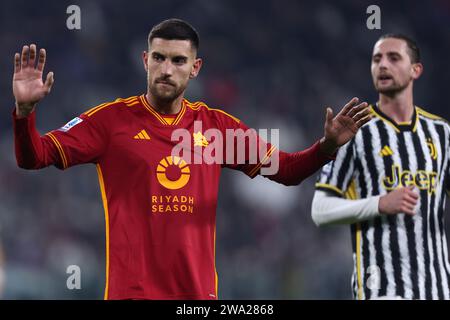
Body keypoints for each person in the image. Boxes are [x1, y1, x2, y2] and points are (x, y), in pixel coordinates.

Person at [12, 18, 370, 300]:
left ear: (195, 67)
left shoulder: (215, 128)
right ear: (145, 60)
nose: (167, 69)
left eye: (178, 60)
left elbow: (287, 171)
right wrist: (25, 113)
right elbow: (35, 157)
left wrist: (325, 146)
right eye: (159, 58)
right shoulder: (109, 122)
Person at [312, 34, 450, 300]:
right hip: (382, 291)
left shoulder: (441, 133)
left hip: (437, 290)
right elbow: (320, 210)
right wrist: (379, 204)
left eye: (393, 58)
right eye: (377, 59)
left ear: (415, 70)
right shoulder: (354, 131)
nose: (382, 65)